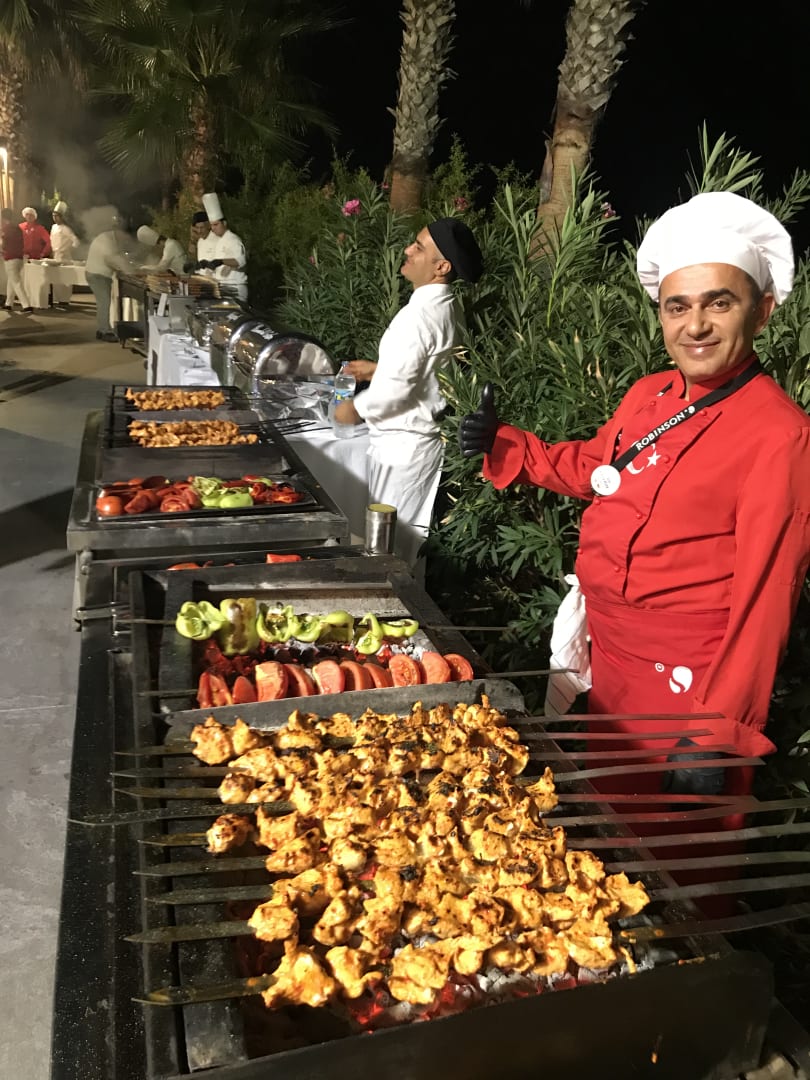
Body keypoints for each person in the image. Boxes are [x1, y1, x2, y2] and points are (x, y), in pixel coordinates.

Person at [459, 192, 810, 797]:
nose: (695, 326)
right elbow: (599, 467)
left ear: (762, 312)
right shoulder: (651, 393)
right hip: (613, 655)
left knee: (673, 837)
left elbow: (768, 595)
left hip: (690, 683)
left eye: (718, 303)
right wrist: (507, 445)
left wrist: (716, 728)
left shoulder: (779, 432)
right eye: (678, 307)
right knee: (609, 813)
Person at [335, 217, 483, 568]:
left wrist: (353, 409)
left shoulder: (418, 316)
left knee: (387, 553)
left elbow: (395, 391)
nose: (407, 250)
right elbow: (432, 367)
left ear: (441, 267)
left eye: (418, 247)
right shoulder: (447, 306)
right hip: (418, 446)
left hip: (402, 449)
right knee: (401, 547)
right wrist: (380, 369)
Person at [84, 218, 135, 341]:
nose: (125, 239)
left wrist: (127, 265)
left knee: (103, 302)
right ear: (119, 232)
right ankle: (104, 331)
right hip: (97, 275)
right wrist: (129, 270)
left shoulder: (111, 238)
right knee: (104, 302)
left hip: (97, 273)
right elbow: (110, 260)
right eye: (125, 236)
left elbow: (119, 257)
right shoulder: (107, 240)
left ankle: (102, 330)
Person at [198, 192, 248, 300]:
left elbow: (241, 261)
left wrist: (221, 261)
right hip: (222, 288)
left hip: (235, 288)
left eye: (216, 224)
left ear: (224, 223)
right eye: (212, 225)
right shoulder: (219, 241)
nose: (213, 228)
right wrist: (206, 265)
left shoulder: (233, 239)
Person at [1, 208, 33, 313]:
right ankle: (8, 303)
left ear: (3, 217)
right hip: (19, 257)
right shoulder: (17, 228)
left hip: (10, 257)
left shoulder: (5, 229)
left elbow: (3, 244)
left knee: (16, 282)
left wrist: (2, 250)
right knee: (11, 280)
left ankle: (26, 305)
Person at [50, 201, 79, 308]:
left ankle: (65, 299)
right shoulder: (53, 227)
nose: (55, 218)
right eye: (53, 216)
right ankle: (58, 299)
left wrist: (69, 249)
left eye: (57, 216)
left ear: (61, 217)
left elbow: (76, 241)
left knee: (65, 278)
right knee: (56, 278)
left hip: (65, 257)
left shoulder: (66, 229)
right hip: (56, 255)